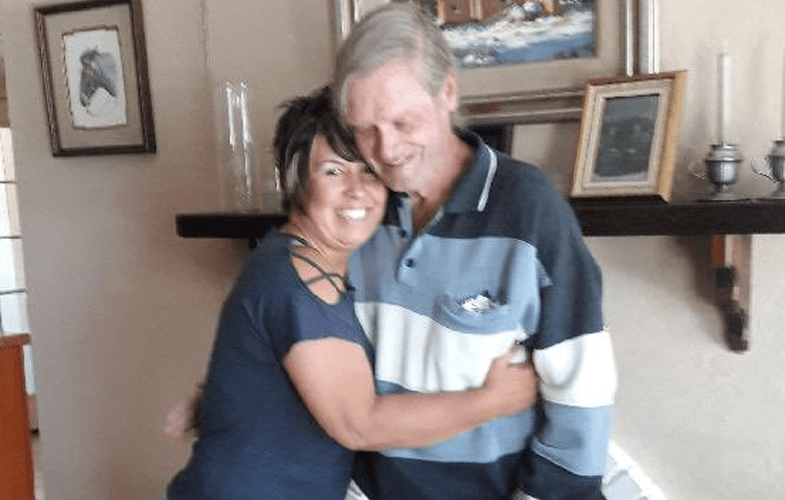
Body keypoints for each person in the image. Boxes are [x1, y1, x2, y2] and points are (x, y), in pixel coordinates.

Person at [165, 86, 538, 500]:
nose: (356, 190)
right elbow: (360, 425)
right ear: (297, 181)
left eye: (368, 171)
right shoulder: (297, 283)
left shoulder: (310, 261)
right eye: (333, 171)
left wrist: (212, 397)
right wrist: (493, 401)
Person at [332, 3, 617, 500]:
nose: (386, 150)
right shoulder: (354, 213)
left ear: (447, 92)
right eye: (365, 129)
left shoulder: (529, 207)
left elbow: (582, 386)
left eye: (403, 122)